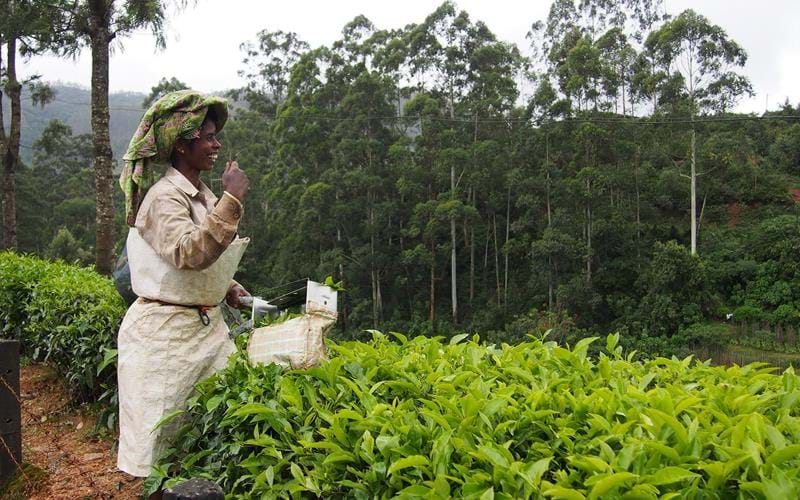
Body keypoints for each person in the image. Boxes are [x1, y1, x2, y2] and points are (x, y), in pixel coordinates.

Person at [116, 90, 250, 478]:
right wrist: (232, 200)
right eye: (207, 137)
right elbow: (187, 252)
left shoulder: (200, 196)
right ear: (180, 146)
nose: (216, 144)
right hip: (165, 340)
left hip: (205, 333)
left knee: (204, 440)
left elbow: (200, 262)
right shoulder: (164, 198)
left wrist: (227, 286)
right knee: (161, 456)